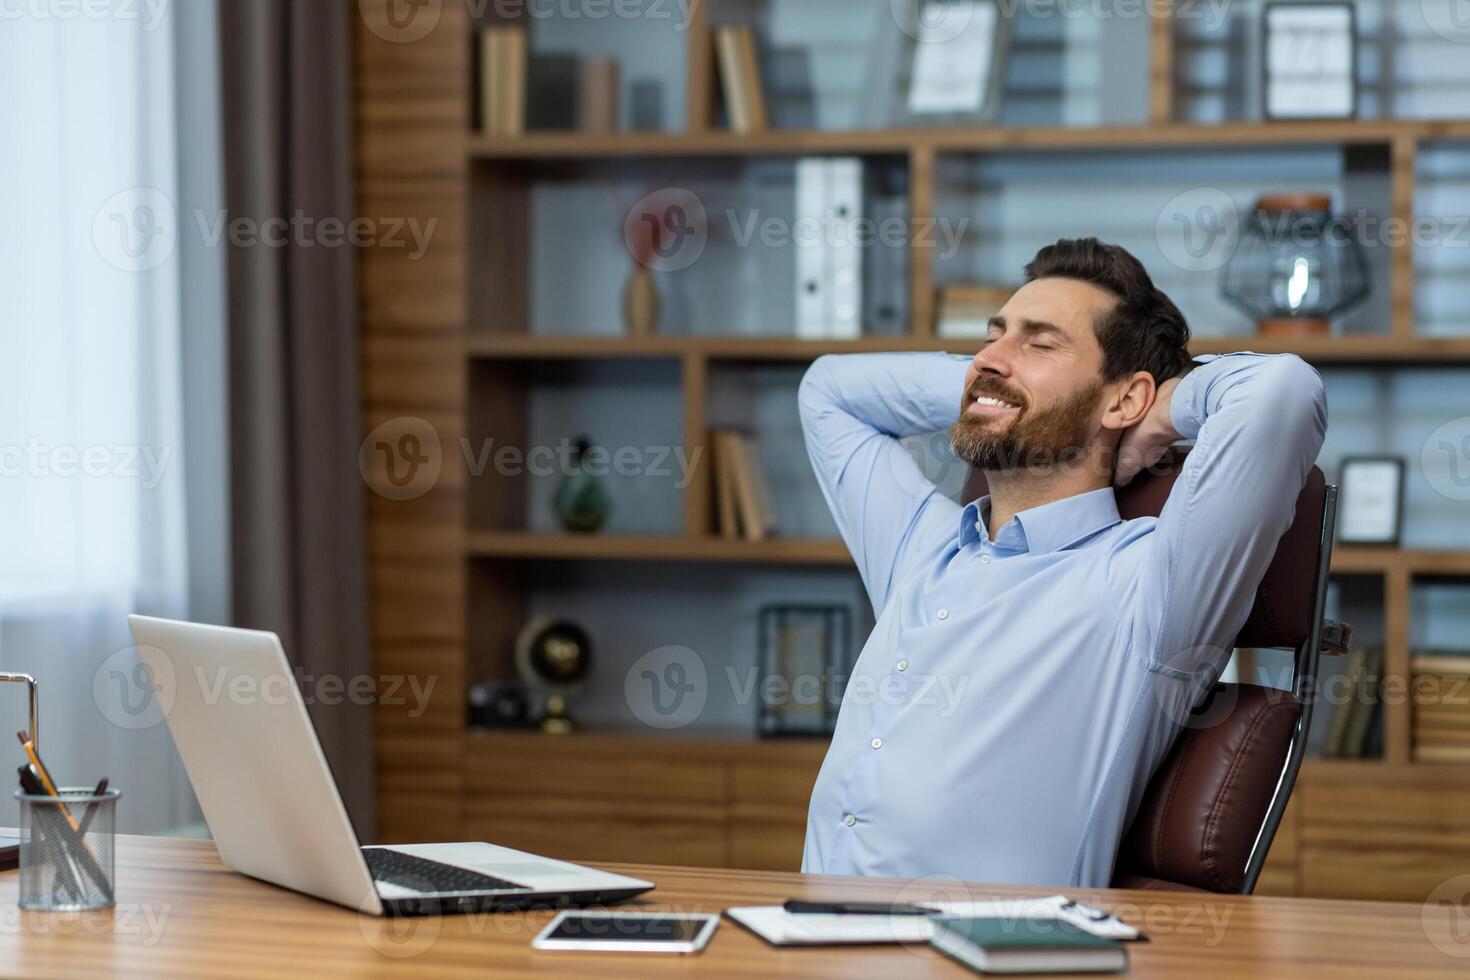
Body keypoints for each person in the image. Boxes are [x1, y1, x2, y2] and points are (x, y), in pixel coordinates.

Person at [798, 238, 1327, 887]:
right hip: (807, 935)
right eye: (992, 338)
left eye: (1039, 343)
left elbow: (1283, 390)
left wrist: (1159, 410)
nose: (989, 357)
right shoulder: (922, 549)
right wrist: (991, 388)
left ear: (1125, 400)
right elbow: (828, 389)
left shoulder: (1152, 589)